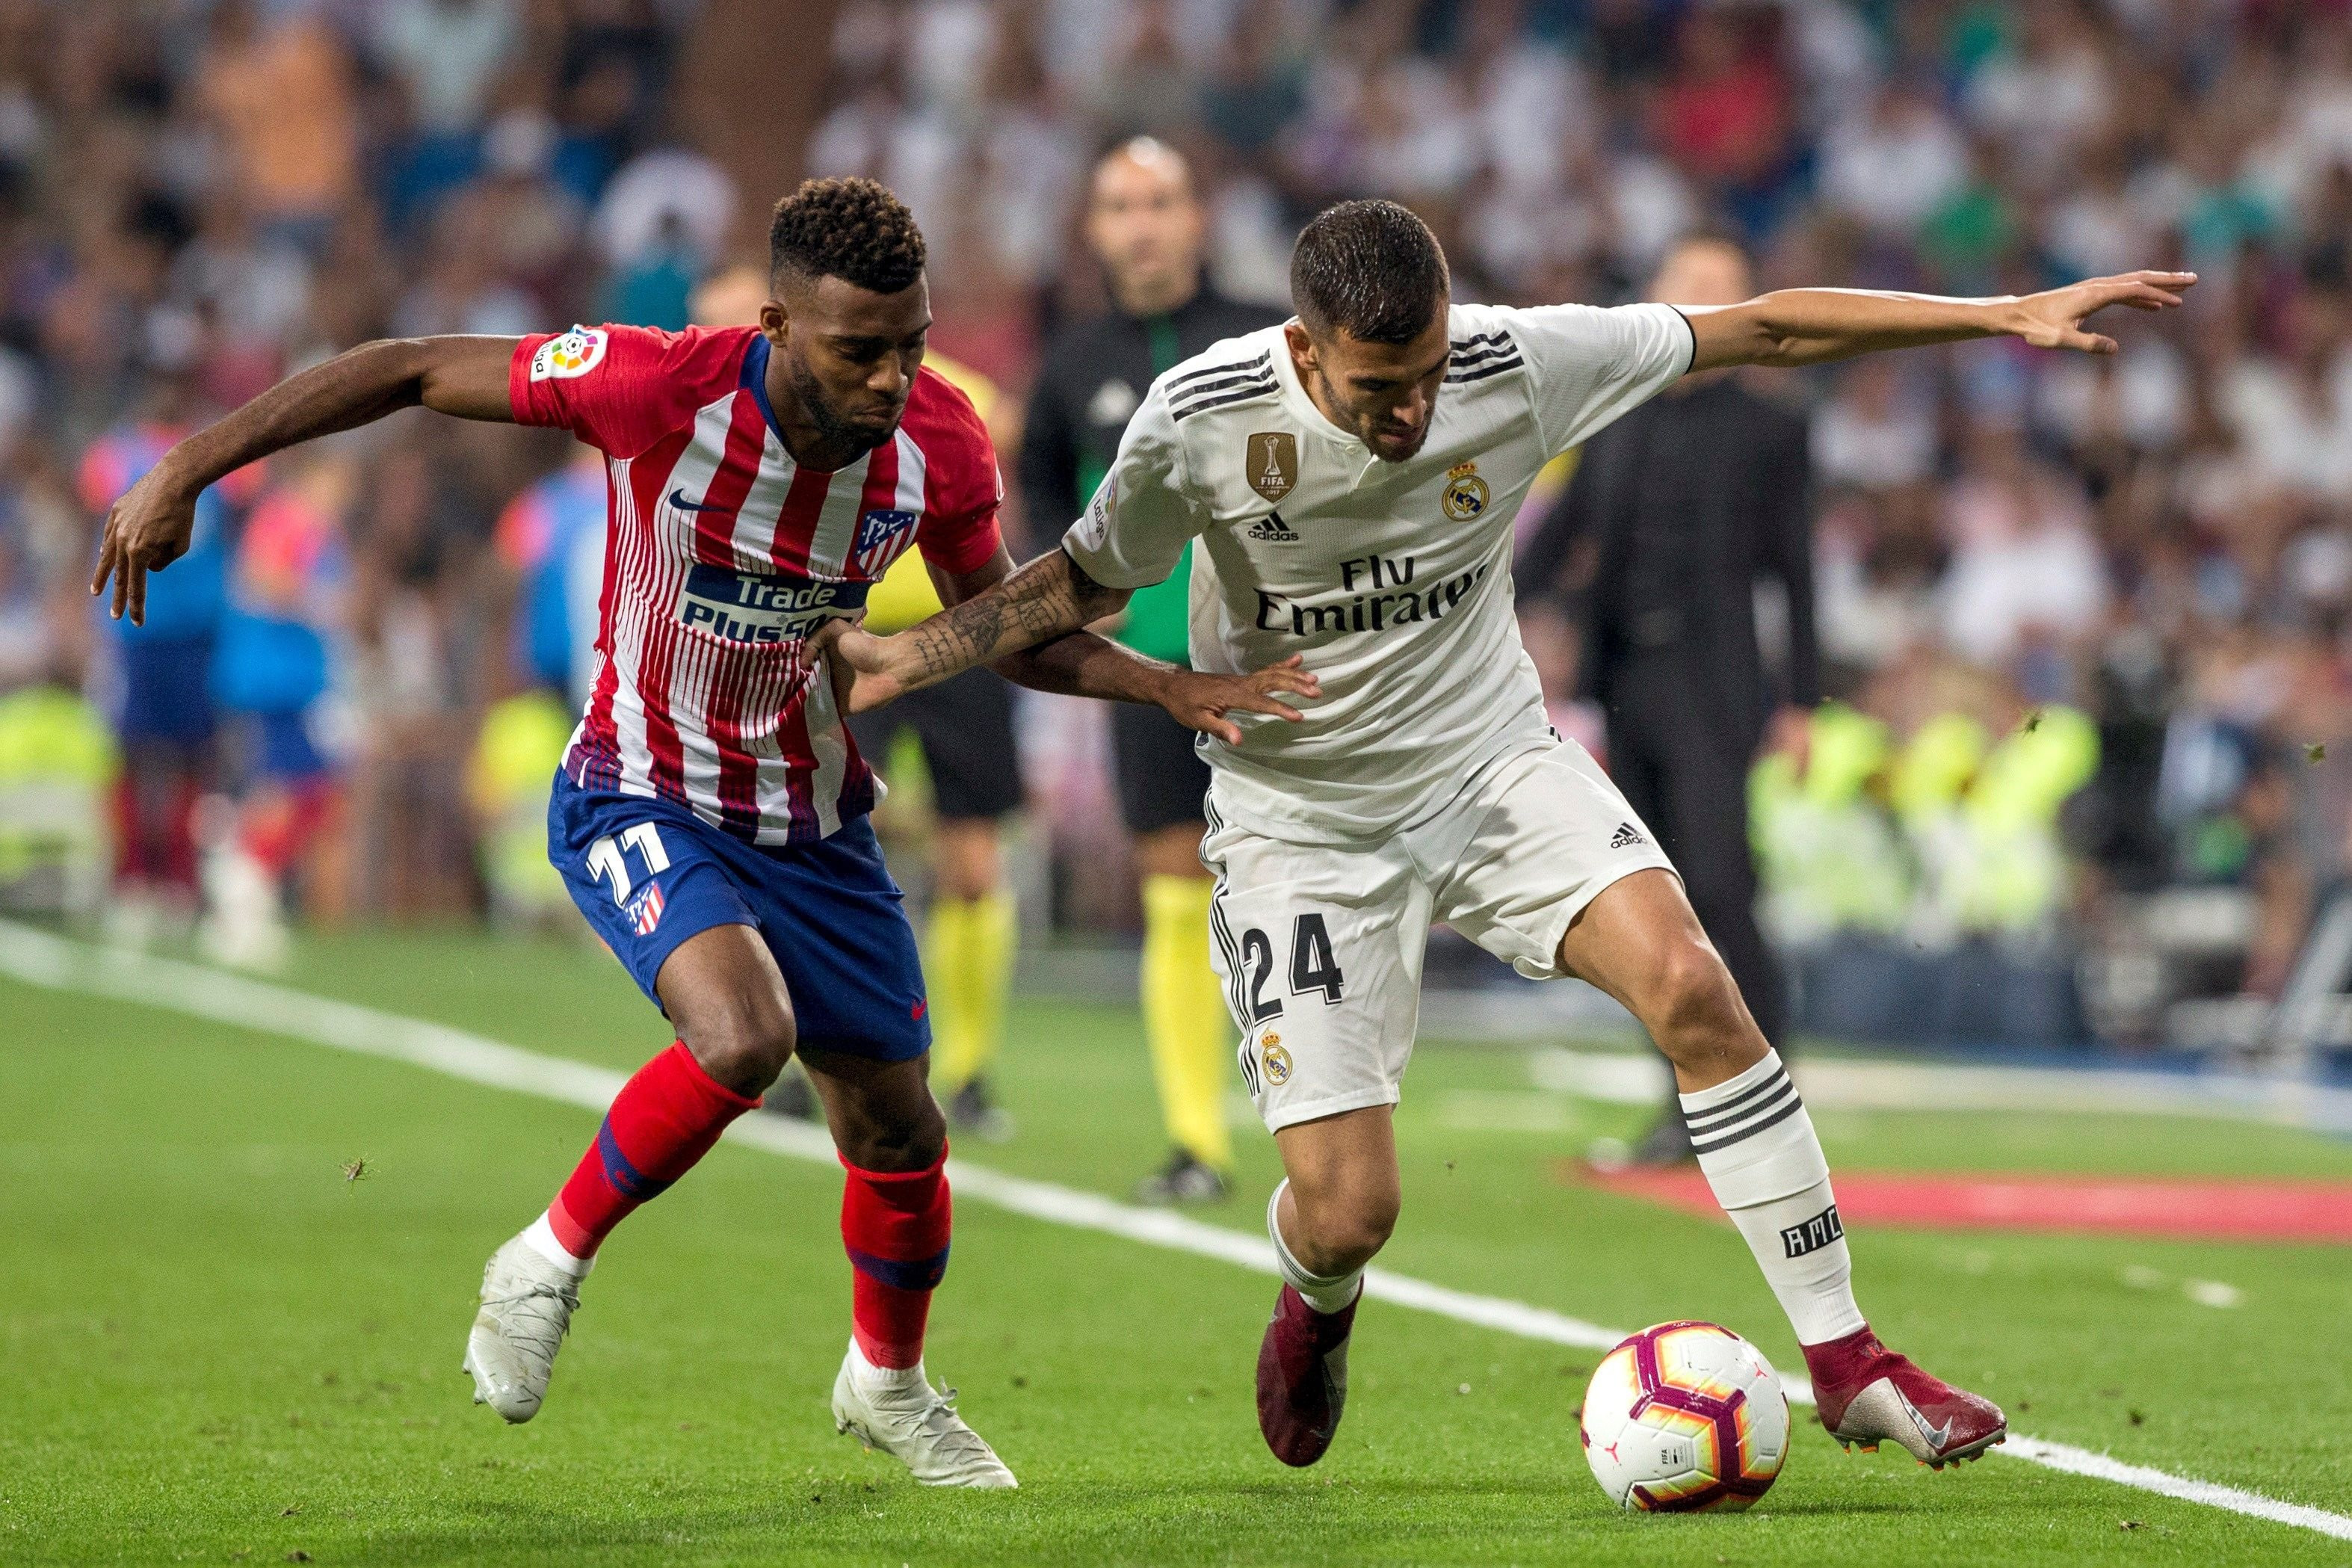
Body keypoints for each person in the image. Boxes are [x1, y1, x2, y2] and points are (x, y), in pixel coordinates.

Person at [827, 197, 2194, 1472]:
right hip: (1300, 818)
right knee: (1351, 1206)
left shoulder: (1517, 361)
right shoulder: (1200, 418)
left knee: (1694, 987)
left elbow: (1764, 326)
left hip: (1491, 765)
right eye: (1378, 389)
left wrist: (2000, 310)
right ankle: (1318, 1294)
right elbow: (1070, 584)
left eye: (1426, 373)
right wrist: (903, 659)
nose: (1415, 410)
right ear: (1305, 349)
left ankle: (1845, 1355)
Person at [92, 176, 1311, 1489]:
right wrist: (184, 469)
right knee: (743, 1034)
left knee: (901, 1132)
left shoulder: (942, 443)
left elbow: (1003, 628)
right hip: (641, 785)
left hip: (814, 820)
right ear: (778, 322)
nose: (894, 376)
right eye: (859, 349)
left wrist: (1164, 683)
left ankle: (885, 1383)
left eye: (910, 341)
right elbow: (404, 368)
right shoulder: (655, 384)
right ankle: (542, 1260)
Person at [692, 261, 1023, 1139]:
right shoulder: (730, 409)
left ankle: (972, 1068)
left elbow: (998, 482)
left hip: (943, 653)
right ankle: (817, 1055)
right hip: (834, 648)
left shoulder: (952, 403)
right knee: (805, 849)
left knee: (971, 860)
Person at [1019, 137, 1285, 1204]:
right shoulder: (1073, 363)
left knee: (1296, 887)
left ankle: (1321, 1119)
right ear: (1092, 227)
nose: (1141, 223)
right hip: (1149, 671)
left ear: (1198, 217)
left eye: (1161, 201)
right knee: (1176, 891)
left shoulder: (1266, 338)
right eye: (1120, 204)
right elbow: (1040, 493)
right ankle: (1197, 1141)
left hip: (1279, 666)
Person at [1519, 234, 1818, 1166]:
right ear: (1652, 296)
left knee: (1725, 886)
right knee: (1655, 901)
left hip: (1716, 680)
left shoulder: (1772, 426)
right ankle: (1683, 1102)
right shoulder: (1613, 412)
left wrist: (1804, 701)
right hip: (1628, 680)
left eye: (1727, 288)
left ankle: (1766, 1100)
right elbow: (1555, 537)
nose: (1708, 301)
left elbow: (1798, 571)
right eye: (1691, 284)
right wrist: (1476, 604)